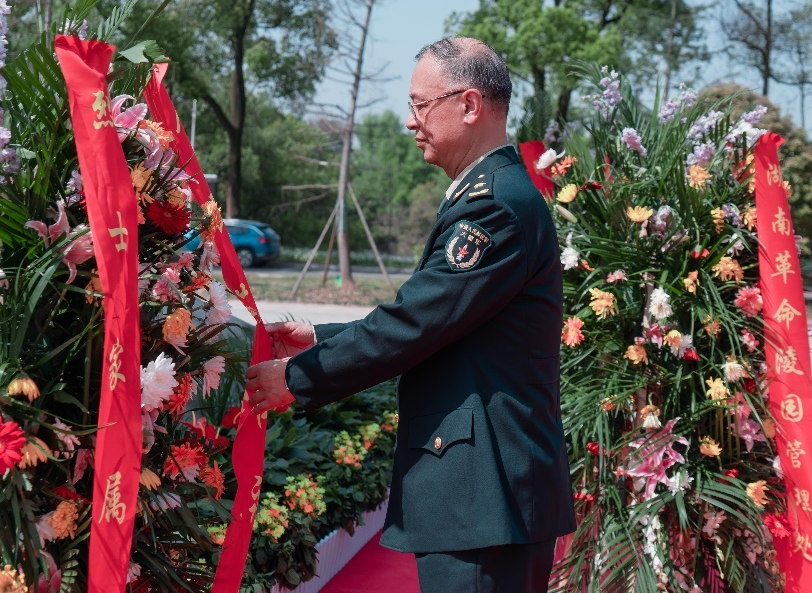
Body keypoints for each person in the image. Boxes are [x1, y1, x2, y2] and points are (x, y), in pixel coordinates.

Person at [244, 38, 574, 593]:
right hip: (483, 495)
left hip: (484, 495)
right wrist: (320, 337)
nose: (408, 121)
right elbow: (441, 324)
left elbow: (417, 323)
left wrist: (297, 379)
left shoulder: (492, 204)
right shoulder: (491, 193)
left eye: (420, 104)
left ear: (469, 105)